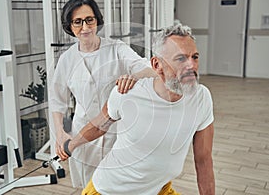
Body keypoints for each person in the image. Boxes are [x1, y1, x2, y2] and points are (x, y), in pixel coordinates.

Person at [62, 23, 215, 195]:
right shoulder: (127, 93)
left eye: (195, 57)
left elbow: (203, 160)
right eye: (181, 58)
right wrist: (70, 145)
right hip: (109, 191)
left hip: (158, 189)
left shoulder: (201, 98)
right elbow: (98, 126)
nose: (191, 65)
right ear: (157, 65)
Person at [49, 0, 156, 191]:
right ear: (69, 26)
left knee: (118, 186)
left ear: (97, 20)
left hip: (117, 132)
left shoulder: (117, 49)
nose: (85, 27)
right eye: (77, 22)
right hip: (83, 133)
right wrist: (60, 134)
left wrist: (135, 77)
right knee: (88, 187)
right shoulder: (66, 60)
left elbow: (150, 69)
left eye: (89, 19)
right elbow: (57, 102)